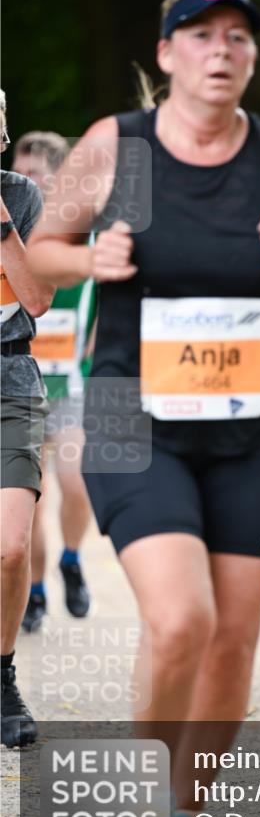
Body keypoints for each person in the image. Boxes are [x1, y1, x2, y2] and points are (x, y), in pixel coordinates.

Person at [26, 0, 260, 817]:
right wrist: (86, 255)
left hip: (255, 430)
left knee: (232, 642)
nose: (222, 51)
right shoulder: (117, 146)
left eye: (238, 38)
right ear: (167, 53)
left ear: (251, 56)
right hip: (136, 420)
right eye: (201, 35)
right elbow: (34, 268)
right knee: (182, 621)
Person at [13, 131, 95, 632]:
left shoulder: (82, 231)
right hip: (20, 383)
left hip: (70, 386)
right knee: (28, 501)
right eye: (21, 173)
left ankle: (71, 559)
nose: (27, 183)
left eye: (39, 174)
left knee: (77, 483)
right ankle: (37, 591)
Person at [0, 92, 55, 748]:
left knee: (10, 548)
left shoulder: (24, 197)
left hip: (9, 377)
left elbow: (38, 298)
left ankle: (3, 675)